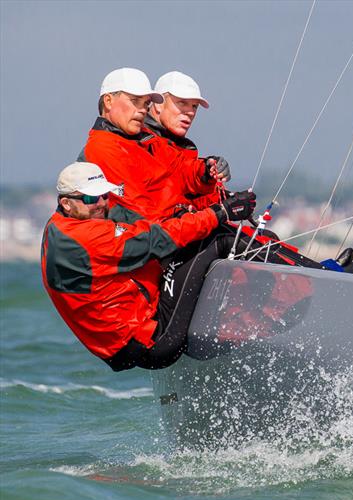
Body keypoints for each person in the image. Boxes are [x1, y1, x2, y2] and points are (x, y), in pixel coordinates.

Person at [41, 162, 257, 371]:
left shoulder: (57, 227)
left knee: (189, 238)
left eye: (105, 195)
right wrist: (221, 212)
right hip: (153, 341)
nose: (101, 204)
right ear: (66, 203)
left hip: (125, 346)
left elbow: (143, 229)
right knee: (213, 238)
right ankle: (276, 294)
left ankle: (232, 326)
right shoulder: (87, 237)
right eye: (90, 198)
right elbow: (158, 239)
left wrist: (203, 208)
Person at [80, 67, 229, 223]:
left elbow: (178, 171)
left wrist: (206, 170)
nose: (143, 110)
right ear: (108, 101)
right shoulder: (103, 148)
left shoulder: (142, 139)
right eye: (135, 101)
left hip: (167, 234)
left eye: (145, 103)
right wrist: (214, 213)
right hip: (149, 240)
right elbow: (143, 215)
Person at [144, 71, 224, 212]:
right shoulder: (141, 143)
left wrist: (224, 199)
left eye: (194, 106)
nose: (190, 112)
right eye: (182, 103)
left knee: (264, 235)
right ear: (158, 105)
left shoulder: (184, 149)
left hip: (183, 225)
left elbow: (188, 202)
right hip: (159, 229)